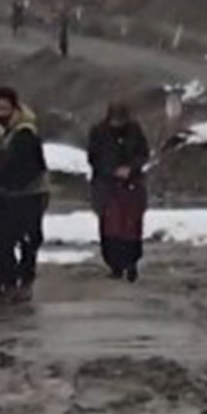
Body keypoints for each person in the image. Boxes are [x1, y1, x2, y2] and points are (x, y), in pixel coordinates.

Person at [0, 86, 50, 305]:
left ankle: (25, 280)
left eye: (5, 108)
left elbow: (30, 167)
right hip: (4, 193)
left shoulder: (25, 132)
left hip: (28, 193)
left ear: (14, 108)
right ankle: (9, 281)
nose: (1, 112)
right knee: (3, 241)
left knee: (28, 239)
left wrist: (2, 180)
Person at [87, 101, 151, 282]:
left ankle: (131, 264)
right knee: (110, 228)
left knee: (131, 227)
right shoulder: (98, 132)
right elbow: (94, 158)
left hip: (132, 185)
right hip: (107, 186)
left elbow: (143, 154)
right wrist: (112, 171)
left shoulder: (134, 131)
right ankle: (114, 265)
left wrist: (130, 168)